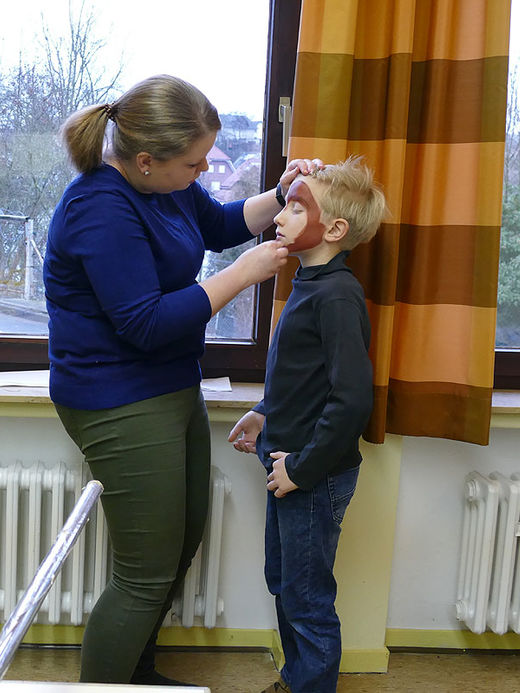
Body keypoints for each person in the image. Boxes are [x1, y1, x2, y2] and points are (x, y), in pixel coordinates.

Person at [43, 73, 321, 686]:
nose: (201, 171)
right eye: (193, 163)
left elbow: (221, 225)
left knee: (179, 545)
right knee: (143, 574)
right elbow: (144, 322)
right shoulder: (97, 207)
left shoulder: (165, 188)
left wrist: (281, 194)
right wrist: (243, 276)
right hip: (114, 398)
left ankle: (136, 679)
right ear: (146, 160)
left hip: (170, 387)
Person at [227, 155, 388, 693]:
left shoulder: (338, 296)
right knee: (285, 583)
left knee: (307, 595)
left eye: (296, 208)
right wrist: (263, 412)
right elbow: (303, 376)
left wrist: (303, 469)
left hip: (310, 474)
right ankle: (299, 680)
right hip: (287, 463)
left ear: (334, 229)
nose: (280, 217)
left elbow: (350, 400)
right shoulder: (310, 281)